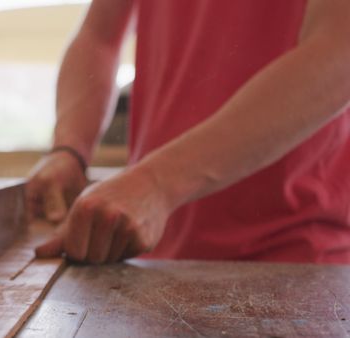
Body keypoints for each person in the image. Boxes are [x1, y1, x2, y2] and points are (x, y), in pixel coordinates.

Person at [26, 0, 350, 264]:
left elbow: (339, 51)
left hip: (297, 255)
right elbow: (99, 36)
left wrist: (157, 182)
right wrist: (69, 150)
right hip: (153, 256)